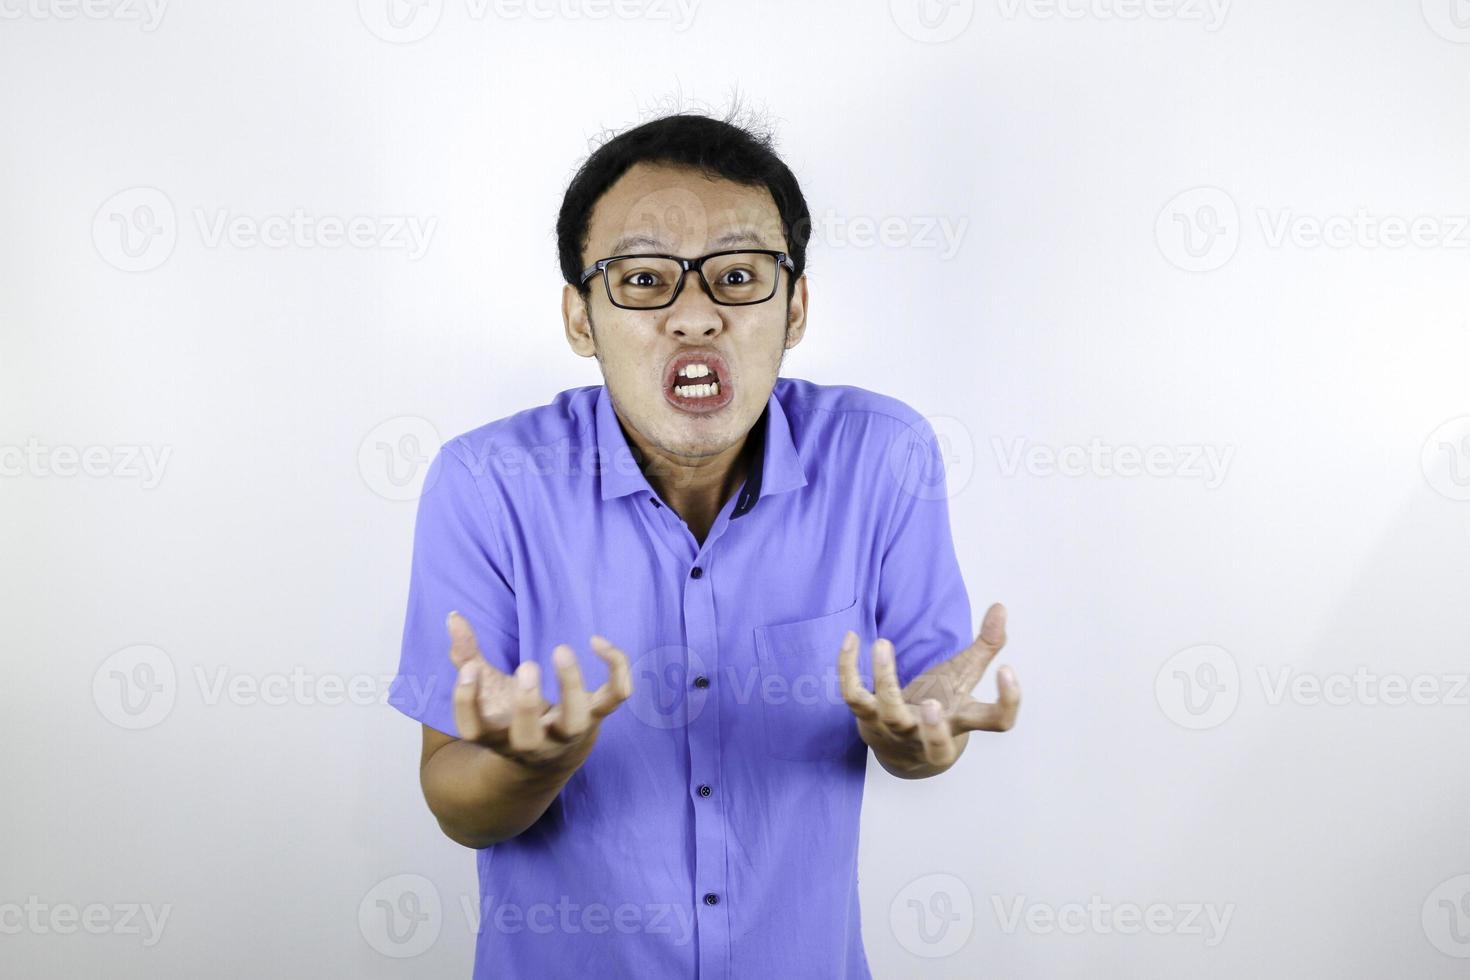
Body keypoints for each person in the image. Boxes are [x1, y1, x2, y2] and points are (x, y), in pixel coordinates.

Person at [388, 109, 1022, 979]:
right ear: (580, 317)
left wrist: (915, 743)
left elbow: (918, 717)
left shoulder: (884, 457)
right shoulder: (487, 484)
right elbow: (457, 805)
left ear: (795, 306)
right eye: (644, 279)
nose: (694, 316)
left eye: (736, 276)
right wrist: (530, 767)